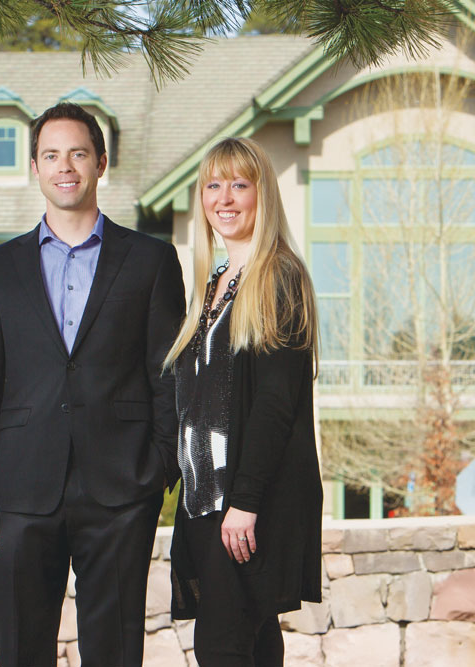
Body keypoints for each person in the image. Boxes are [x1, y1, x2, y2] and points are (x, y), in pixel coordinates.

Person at [0, 102, 185, 666]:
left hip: (120, 487)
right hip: (22, 488)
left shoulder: (152, 261)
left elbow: (168, 374)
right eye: (52, 155)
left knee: (114, 653)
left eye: (78, 153)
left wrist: (159, 466)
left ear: (101, 163)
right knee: (21, 649)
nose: (66, 166)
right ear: (35, 167)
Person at [164, 137, 322, 666]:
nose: (224, 198)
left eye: (239, 184)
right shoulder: (214, 286)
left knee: (222, 647)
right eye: (213, 185)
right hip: (209, 503)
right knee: (250, 643)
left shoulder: (278, 276)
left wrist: (246, 502)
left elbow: (277, 404)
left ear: (263, 195)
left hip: (247, 503)